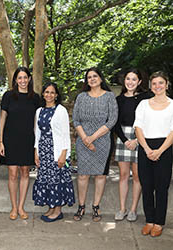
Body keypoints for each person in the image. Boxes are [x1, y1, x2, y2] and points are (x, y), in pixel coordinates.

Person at [134, 71, 173, 237]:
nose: (157, 86)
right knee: (147, 186)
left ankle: (159, 222)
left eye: (161, 83)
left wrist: (160, 150)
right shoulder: (143, 104)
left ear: (167, 84)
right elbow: (138, 127)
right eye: (154, 83)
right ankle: (149, 220)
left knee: (161, 188)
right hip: (145, 147)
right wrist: (147, 149)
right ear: (150, 86)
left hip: (164, 148)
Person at [72, 67, 118, 222]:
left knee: (100, 175)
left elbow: (112, 120)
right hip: (83, 141)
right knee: (83, 175)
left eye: (95, 76)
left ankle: (96, 207)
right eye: (89, 77)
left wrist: (92, 138)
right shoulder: (81, 97)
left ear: (101, 78)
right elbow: (76, 120)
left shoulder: (110, 97)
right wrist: (85, 138)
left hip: (103, 142)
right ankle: (81, 206)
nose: (92, 79)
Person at [0, 66, 40, 220]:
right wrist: (1, 141)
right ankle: (14, 207)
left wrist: (37, 144)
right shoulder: (8, 96)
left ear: (29, 79)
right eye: (19, 78)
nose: (22, 81)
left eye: (25, 77)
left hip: (28, 140)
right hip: (10, 139)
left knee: (24, 172)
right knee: (12, 173)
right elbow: (2, 119)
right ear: (15, 80)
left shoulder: (35, 98)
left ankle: (21, 207)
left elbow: (37, 122)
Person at [114, 69, 152, 222]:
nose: (130, 82)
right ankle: (122, 208)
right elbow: (115, 123)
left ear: (139, 82)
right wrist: (125, 140)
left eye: (134, 79)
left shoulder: (145, 98)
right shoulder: (119, 99)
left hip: (140, 137)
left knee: (137, 176)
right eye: (128, 79)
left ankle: (133, 210)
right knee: (123, 175)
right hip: (123, 138)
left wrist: (137, 139)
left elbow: (149, 120)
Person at [33, 83, 75, 222]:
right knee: (46, 180)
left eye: (52, 92)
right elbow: (37, 133)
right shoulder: (39, 111)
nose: (49, 95)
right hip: (43, 150)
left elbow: (65, 134)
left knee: (56, 180)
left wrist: (64, 154)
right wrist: (36, 152)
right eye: (46, 92)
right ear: (43, 94)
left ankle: (57, 211)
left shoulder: (61, 110)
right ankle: (51, 208)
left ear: (56, 95)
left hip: (56, 150)